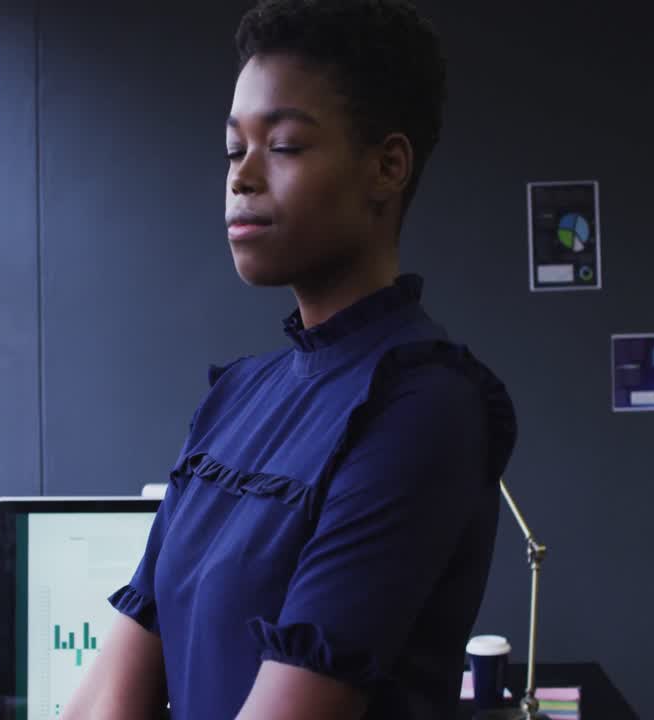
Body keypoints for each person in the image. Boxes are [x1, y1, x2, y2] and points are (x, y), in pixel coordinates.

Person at [63, 1, 517, 718]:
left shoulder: (423, 408)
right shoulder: (237, 398)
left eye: (283, 146)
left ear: (387, 166)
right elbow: (103, 701)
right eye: (231, 149)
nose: (241, 176)